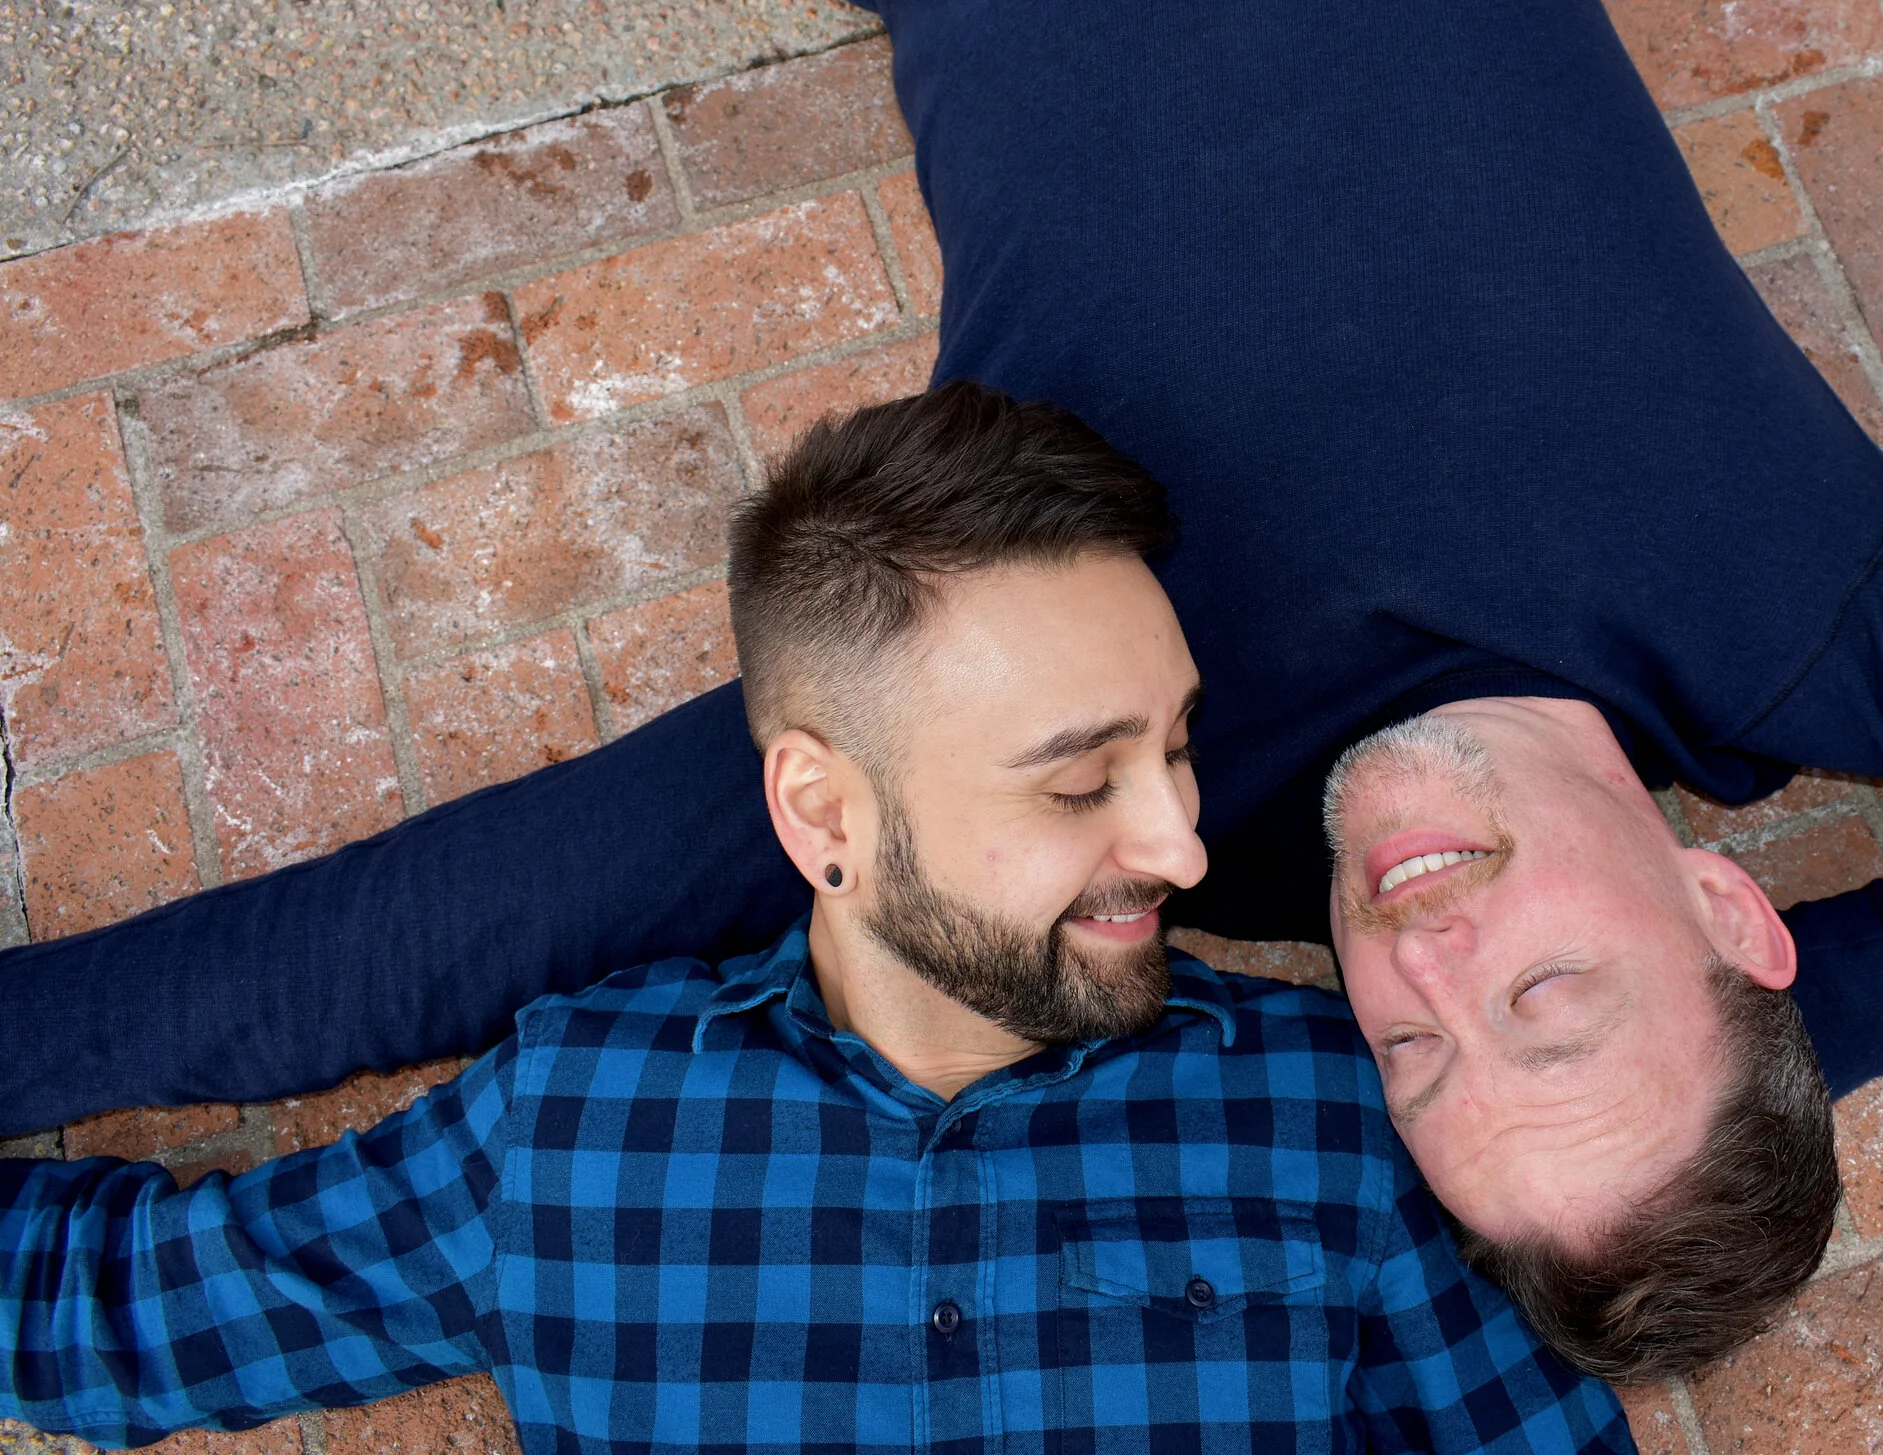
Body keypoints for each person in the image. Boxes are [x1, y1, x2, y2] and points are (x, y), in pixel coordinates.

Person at [0, 0, 1883, 1382]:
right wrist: (1847, 1012)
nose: (1424, 953)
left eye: (1417, 1060)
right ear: (1734, 913)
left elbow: (426, 934)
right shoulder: (1809, 612)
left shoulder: (1101, 759)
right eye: (1550, 1003)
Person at [0, 387, 1633, 1454]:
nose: (1183, 845)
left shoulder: (1331, 1112)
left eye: (1178, 745)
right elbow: (116, 1309)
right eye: (1080, 783)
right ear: (824, 815)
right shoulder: (575, 1122)